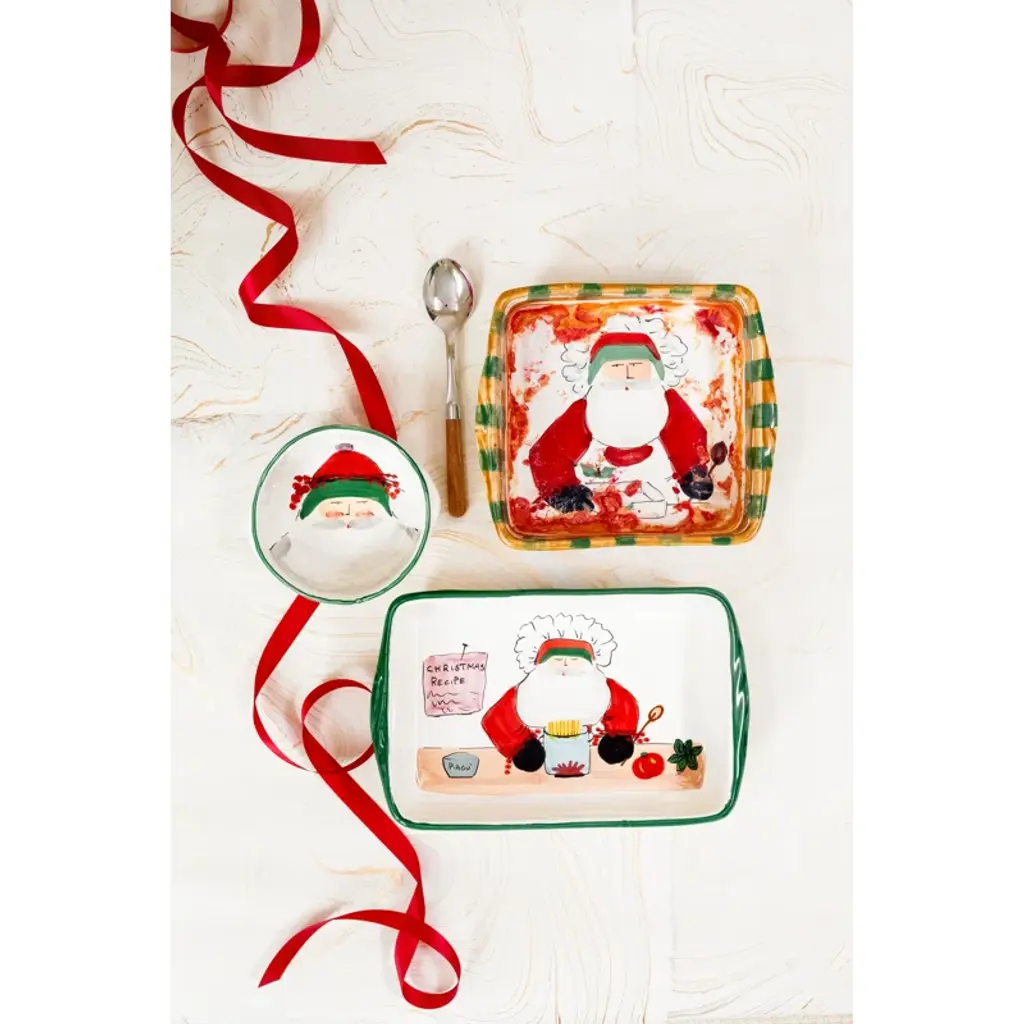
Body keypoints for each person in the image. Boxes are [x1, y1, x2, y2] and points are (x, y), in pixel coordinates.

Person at [528, 316, 713, 517]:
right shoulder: (586, 409)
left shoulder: (666, 402)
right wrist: (562, 490)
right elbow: (551, 450)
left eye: (637, 366)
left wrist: (693, 471)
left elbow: (687, 435)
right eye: (616, 368)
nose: (627, 374)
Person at [481, 613, 640, 772]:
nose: (565, 664)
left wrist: (619, 737)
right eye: (556, 659)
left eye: (575, 659)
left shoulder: (602, 687)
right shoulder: (525, 690)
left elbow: (624, 705)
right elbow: (497, 719)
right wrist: (521, 745)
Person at [269, 444, 419, 600]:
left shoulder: (407, 540)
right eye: (334, 513)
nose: (348, 518)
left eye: (364, 512)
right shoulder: (288, 550)